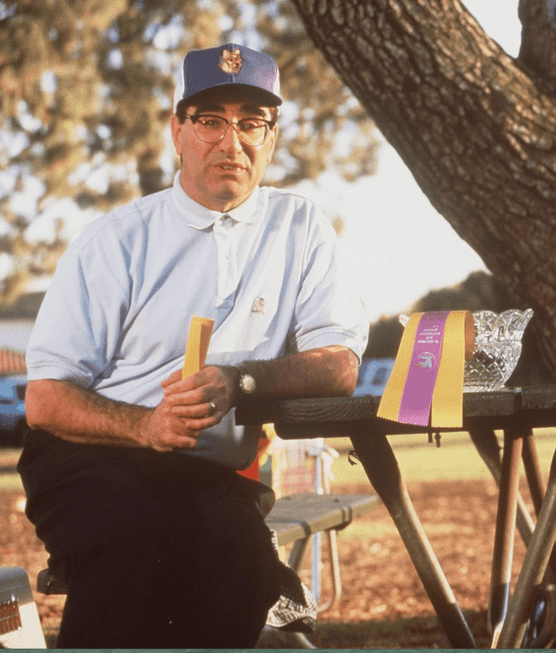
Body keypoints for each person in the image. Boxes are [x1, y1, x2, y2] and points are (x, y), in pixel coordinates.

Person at [18, 43, 369, 648]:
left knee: (253, 581)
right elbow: (46, 401)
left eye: (251, 122)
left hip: (207, 475)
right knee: (132, 544)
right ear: (177, 131)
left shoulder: (301, 228)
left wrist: (241, 381)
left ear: (272, 137)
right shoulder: (117, 240)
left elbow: (339, 363)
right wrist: (146, 426)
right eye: (209, 120)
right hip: (91, 457)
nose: (230, 141)